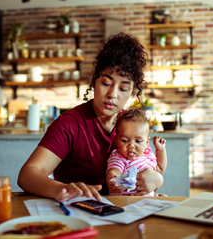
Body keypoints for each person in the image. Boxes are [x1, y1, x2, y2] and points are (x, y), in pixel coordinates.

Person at [17, 32, 164, 202]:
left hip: (122, 209)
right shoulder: (70, 124)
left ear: (132, 92)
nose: (112, 94)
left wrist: (157, 180)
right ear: (94, 81)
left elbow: (148, 166)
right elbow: (27, 175)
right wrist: (61, 189)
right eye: (106, 83)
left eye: (123, 88)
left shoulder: (131, 125)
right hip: (76, 208)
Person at [106, 107, 167, 196]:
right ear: (116, 141)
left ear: (146, 142)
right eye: (125, 140)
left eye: (138, 141)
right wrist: (112, 179)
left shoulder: (147, 154)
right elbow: (114, 170)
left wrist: (160, 149)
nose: (131, 145)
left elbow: (160, 169)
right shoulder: (118, 156)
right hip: (126, 201)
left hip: (146, 202)